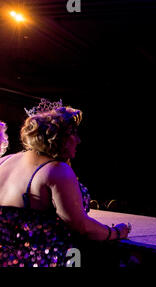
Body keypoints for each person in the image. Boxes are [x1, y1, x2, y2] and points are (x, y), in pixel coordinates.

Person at [0, 99, 131, 267]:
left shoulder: (5, 161)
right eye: (73, 134)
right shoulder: (55, 170)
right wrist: (116, 232)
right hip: (38, 261)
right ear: (58, 137)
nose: (78, 140)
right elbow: (81, 226)